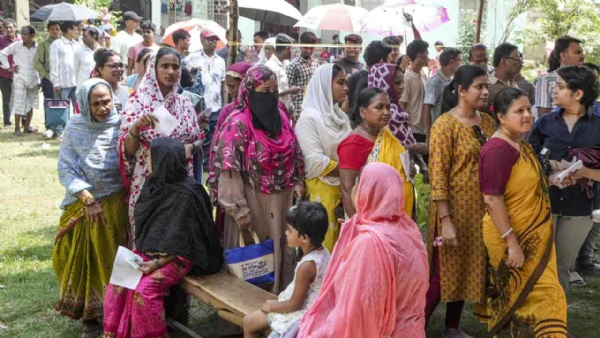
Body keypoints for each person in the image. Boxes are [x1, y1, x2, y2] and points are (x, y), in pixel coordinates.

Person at [103, 137, 222, 338]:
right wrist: (145, 255)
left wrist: (156, 263)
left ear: (163, 160)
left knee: (144, 291)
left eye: (150, 156)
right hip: (150, 252)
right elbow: (147, 225)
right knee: (120, 281)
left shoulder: (188, 195)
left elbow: (188, 244)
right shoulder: (154, 183)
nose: (147, 160)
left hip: (180, 258)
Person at [298, 162, 429, 338]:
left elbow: (353, 316)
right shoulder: (409, 230)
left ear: (367, 192)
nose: (354, 190)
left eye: (357, 184)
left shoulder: (369, 244)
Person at [478, 87, 567, 336]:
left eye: (529, 109)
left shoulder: (520, 144)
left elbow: (522, 185)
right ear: (502, 117)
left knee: (526, 304)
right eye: (519, 111)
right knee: (548, 297)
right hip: (511, 238)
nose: (528, 115)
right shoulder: (497, 150)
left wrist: (554, 180)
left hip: (532, 236)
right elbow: (492, 199)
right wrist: (512, 242)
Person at [209, 65, 305, 293]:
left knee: (281, 250)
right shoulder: (237, 123)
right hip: (251, 202)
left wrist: (298, 180)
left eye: (274, 90)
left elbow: (294, 150)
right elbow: (228, 170)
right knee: (253, 259)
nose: (270, 96)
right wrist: (239, 210)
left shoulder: (281, 118)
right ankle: (245, 317)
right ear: (250, 91)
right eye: (264, 90)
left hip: (282, 200)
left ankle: (278, 303)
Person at [54, 78, 128, 338]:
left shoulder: (122, 123)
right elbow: (66, 167)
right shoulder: (75, 127)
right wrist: (87, 199)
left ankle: (116, 312)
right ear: (84, 106)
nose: (102, 108)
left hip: (118, 204)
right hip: (85, 205)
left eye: (106, 101)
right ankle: (90, 316)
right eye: (95, 104)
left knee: (115, 260)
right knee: (85, 260)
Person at [425, 65, 494, 338]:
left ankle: (451, 326)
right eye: (479, 87)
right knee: (443, 273)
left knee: (471, 267)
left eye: (486, 86)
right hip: (451, 210)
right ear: (462, 91)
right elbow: (437, 176)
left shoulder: (486, 122)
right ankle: (412, 325)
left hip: (480, 210)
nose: (485, 91)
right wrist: (446, 220)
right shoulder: (444, 125)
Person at [119, 47, 203, 245]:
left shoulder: (185, 104)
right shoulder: (138, 102)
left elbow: (198, 138)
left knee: (177, 234)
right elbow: (128, 151)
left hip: (180, 179)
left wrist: (190, 148)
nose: (171, 72)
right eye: (164, 66)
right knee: (146, 234)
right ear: (153, 69)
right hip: (147, 180)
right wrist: (137, 127)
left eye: (175, 67)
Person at [528, 65, 600, 292]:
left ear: (578, 94)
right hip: (544, 202)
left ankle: (556, 323)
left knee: (562, 268)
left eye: (560, 87)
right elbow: (527, 162)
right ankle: (532, 320)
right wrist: (549, 169)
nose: (554, 91)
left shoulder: (598, 126)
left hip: (581, 208)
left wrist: (581, 172)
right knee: (538, 265)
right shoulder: (544, 123)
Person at [243, 202, 330, 338]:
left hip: (303, 315)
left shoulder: (307, 266)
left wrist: (272, 306)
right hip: (302, 305)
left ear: (304, 238)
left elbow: (295, 305)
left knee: (261, 328)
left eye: (290, 230)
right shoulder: (323, 251)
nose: (286, 233)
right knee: (248, 322)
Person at [295, 64, 351, 251]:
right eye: (340, 83)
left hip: (346, 192)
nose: (345, 88)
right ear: (325, 85)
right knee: (324, 251)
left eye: (346, 83)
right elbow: (314, 161)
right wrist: (350, 170)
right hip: (322, 194)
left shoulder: (341, 116)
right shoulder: (309, 119)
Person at [338, 87, 414, 218]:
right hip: (370, 222)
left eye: (388, 107)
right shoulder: (353, 144)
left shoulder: (385, 133)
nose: (386, 112)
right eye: (379, 107)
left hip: (397, 215)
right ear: (363, 112)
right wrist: (360, 226)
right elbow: (347, 189)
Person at [185, 30, 226, 147]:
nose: (212, 42)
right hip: (198, 107)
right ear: (202, 40)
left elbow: (222, 86)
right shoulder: (191, 59)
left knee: (213, 140)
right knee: (198, 138)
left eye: (214, 40)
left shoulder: (221, 61)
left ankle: (208, 164)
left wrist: (223, 106)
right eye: (209, 39)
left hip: (215, 107)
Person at [0, 25, 39, 136]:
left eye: (25, 34)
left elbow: (41, 64)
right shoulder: (16, 45)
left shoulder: (38, 47)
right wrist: (8, 67)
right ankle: (17, 129)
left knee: (30, 104)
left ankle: (26, 127)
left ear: (32, 35)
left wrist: (40, 80)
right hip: (19, 77)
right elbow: (2, 53)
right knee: (19, 102)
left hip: (33, 78)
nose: (22, 36)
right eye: (21, 33)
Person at [535, 36, 584, 117]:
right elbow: (543, 117)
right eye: (577, 52)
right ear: (563, 56)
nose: (582, 56)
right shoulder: (546, 81)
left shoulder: (585, 79)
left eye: (582, 52)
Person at [342, 40, 391, 119]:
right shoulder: (373, 81)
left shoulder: (354, 76)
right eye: (388, 59)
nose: (389, 64)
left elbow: (346, 106)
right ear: (381, 61)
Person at [49, 21, 80, 139]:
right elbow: (54, 63)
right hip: (63, 82)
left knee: (77, 107)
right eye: (75, 29)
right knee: (61, 107)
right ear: (68, 30)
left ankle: (75, 129)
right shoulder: (57, 44)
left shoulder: (76, 44)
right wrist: (55, 82)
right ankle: (58, 130)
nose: (77, 32)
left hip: (75, 81)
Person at [423, 48, 462, 135]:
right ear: (451, 62)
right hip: (439, 130)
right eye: (460, 60)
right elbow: (427, 108)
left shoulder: (451, 79)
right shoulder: (435, 82)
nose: (461, 64)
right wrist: (428, 133)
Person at [399, 39, 429, 143]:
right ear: (421, 55)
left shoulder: (424, 75)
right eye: (427, 54)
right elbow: (402, 106)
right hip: (412, 130)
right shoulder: (406, 78)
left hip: (424, 129)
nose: (428, 57)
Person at [266, 34, 301, 114]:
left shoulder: (285, 65)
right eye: (292, 49)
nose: (293, 52)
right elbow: (270, 92)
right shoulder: (271, 67)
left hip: (284, 111)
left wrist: (291, 110)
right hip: (274, 111)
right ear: (287, 49)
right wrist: (290, 90)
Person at [287, 31, 317, 117]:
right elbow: (288, 92)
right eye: (306, 47)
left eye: (311, 48)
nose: (309, 51)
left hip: (313, 109)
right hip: (298, 110)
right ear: (300, 46)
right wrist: (291, 111)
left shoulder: (315, 62)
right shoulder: (293, 65)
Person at [484, 43, 520, 114]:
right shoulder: (487, 85)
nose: (519, 62)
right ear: (504, 61)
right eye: (516, 59)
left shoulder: (513, 82)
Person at [0, 19, 18, 129]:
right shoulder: (1, 40)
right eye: (7, 28)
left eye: (11, 27)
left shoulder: (21, 39)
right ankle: (7, 122)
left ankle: (18, 119)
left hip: (19, 74)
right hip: (4, 74)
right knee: (6, 98)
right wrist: (5, 67)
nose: (9, 29)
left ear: (15, 27)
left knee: (17, 98)